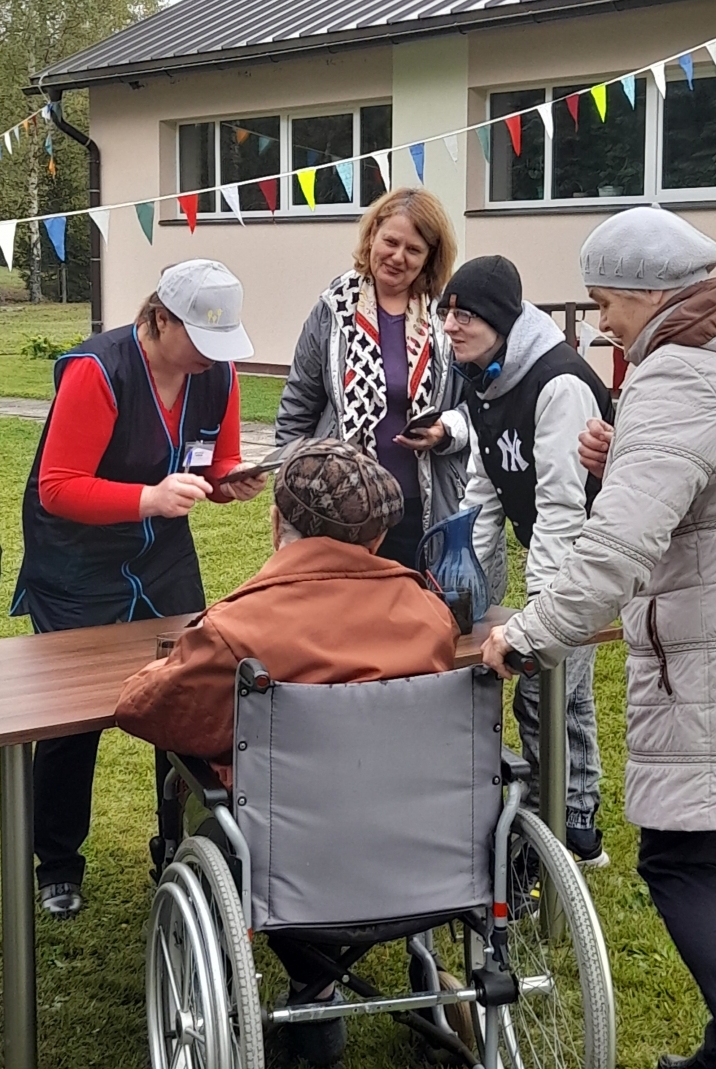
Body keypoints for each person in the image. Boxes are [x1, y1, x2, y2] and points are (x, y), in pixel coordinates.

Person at [482, 207, 716, 1069]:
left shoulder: (678, 375)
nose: (602, 322)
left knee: (681, 862)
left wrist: (532, 628)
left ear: (647, 293)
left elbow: (616, 548)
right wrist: (629, 459)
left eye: (605, 302)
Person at [116, 438, 459, 1067]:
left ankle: (315, 988)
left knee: (232, 814)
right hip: (425, 844)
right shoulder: (434, 618)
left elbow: (149, 711)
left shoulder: (238, 630)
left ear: (278, 523)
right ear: (378, 540)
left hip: (289, 858)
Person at [12, 259, 268, 920]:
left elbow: (216, 461)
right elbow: (57, 486)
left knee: (192, 687)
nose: (213, 360)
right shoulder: (97, 371)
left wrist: (231, 479)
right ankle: (57, 863)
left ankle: (183, 849)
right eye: (202, 343)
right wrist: (149, 497)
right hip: (74, 562)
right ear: (158, 319)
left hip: (160, 557)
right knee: (75, 717)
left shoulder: (220, 376)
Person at [438, 255, 614, 865]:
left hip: (590, 552)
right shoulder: (484, 377)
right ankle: (573, 813)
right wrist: (463, 587)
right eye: (448, 312)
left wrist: (541, 614)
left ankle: (563, 829)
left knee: (547, 689)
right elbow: (483, 489)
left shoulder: (557, 384)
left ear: (504, 319)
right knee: (561, 691)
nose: (452, 325)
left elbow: (563, 507)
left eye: (467, 314)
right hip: (548, 538)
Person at [275, 187, 468, 569]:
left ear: (430, 257)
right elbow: (299, 404)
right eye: (391, 242)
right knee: (340, 618)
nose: (398, 257)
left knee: (414, 615)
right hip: (341, 507)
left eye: (413, 250)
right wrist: (290, 489)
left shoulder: (447, 315)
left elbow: (475, 403)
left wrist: (445, 429)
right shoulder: (333, 309)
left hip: (423, 505)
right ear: (372, 235)